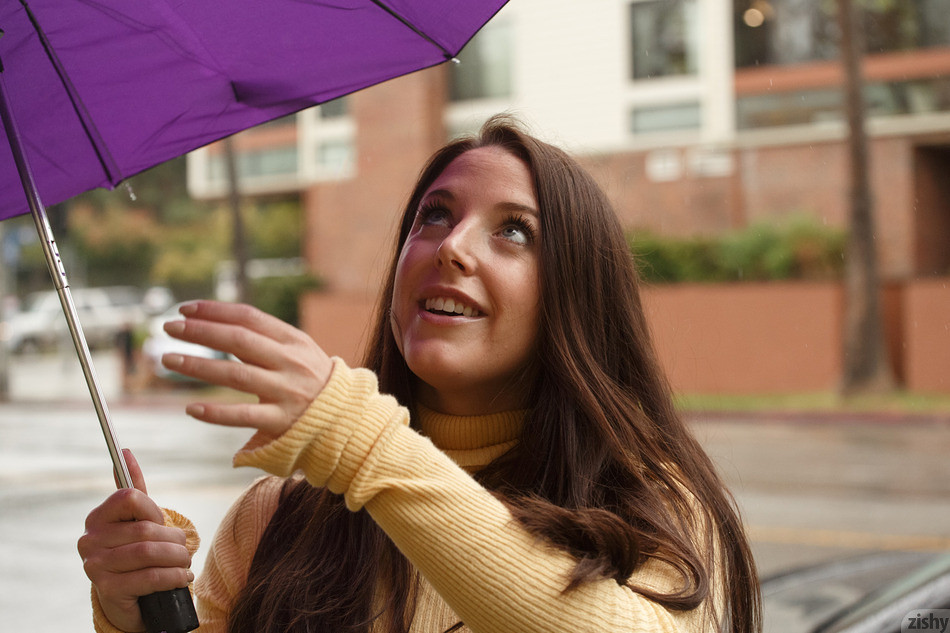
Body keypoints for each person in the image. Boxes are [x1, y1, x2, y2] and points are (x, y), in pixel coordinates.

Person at [78, 117, 762, 633]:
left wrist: (362, 440)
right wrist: (132, 610)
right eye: (434, 216)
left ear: (575, 296)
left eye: (514, 231)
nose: (451, 247)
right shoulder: (278, 518)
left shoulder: (651, 508)